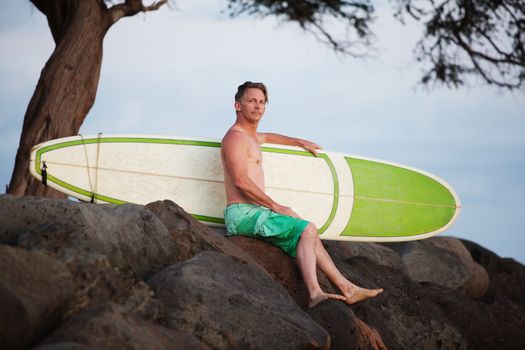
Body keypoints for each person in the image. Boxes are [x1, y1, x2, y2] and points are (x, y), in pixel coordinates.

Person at [221, 81, 383, 308]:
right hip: (242, 215)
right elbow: (240, 180)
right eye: (251, 101)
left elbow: (268, 137)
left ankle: (348, 288)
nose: (257, 106)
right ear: (237, 106)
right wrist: (276, 206)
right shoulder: (235, 138)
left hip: (255, 213)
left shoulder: (251, 136)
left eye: (261, 102)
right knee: (307, 228)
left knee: (308, 232)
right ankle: (315, 293)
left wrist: (299, 142)